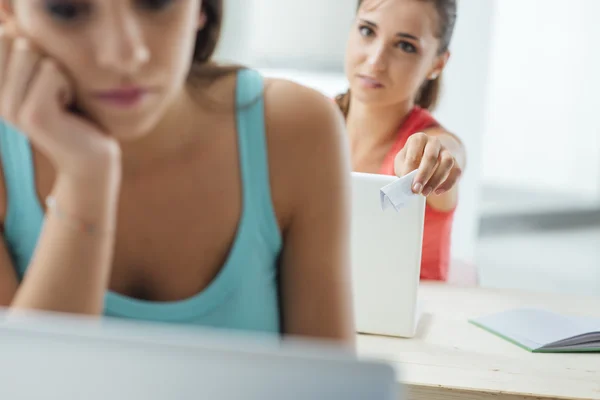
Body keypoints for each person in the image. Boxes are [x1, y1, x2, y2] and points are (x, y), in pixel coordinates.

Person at [0, 0, 354, 344]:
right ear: (9, 12)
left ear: (201, 7)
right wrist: (85, 178)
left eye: (156, 2)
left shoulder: (295, 131)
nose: (126, 54)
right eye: (67, 10)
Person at [336, 0, 466, 281]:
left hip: (421, 321)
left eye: (405, 46)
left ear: (437, 63)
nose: (375, 61)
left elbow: (449, 152)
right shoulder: (308, 126)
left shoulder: (432, 144)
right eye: (367, 31)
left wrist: (437, 158)